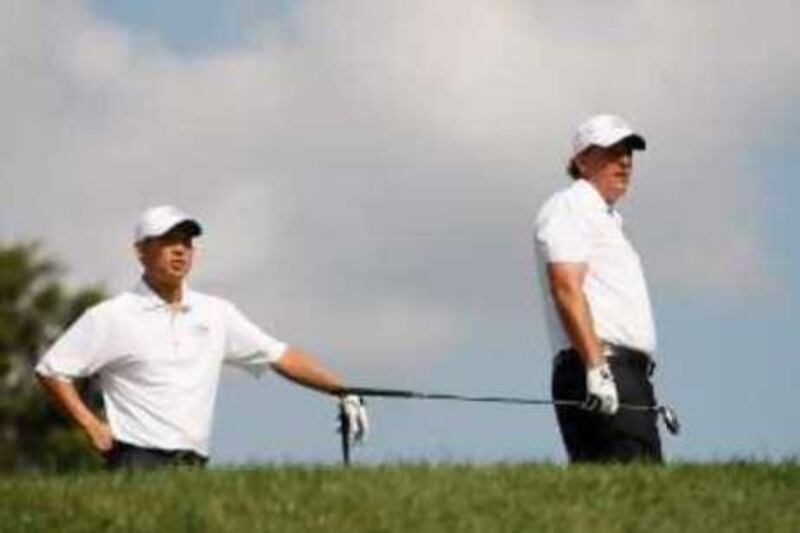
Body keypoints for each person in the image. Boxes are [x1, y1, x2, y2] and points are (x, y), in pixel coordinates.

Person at [36, 205, 368, 470]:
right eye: (167, 241)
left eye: (187, 243)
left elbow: (280, 356)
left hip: (194, 465)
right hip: (136, 461)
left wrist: (343, 390)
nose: (180, 250)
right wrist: (92, 426)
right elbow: (52, 369)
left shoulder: (216, 313)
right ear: (140, 251)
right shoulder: (112, 315)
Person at [534, 114, 662, 463]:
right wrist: (596, 368)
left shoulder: (607, 219)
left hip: (620, 373)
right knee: (636, 490)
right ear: (581, 160)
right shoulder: (569, 206)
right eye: (612, 151)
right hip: (601, 367)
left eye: (629, 153)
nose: (624, 161)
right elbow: (565, 287)